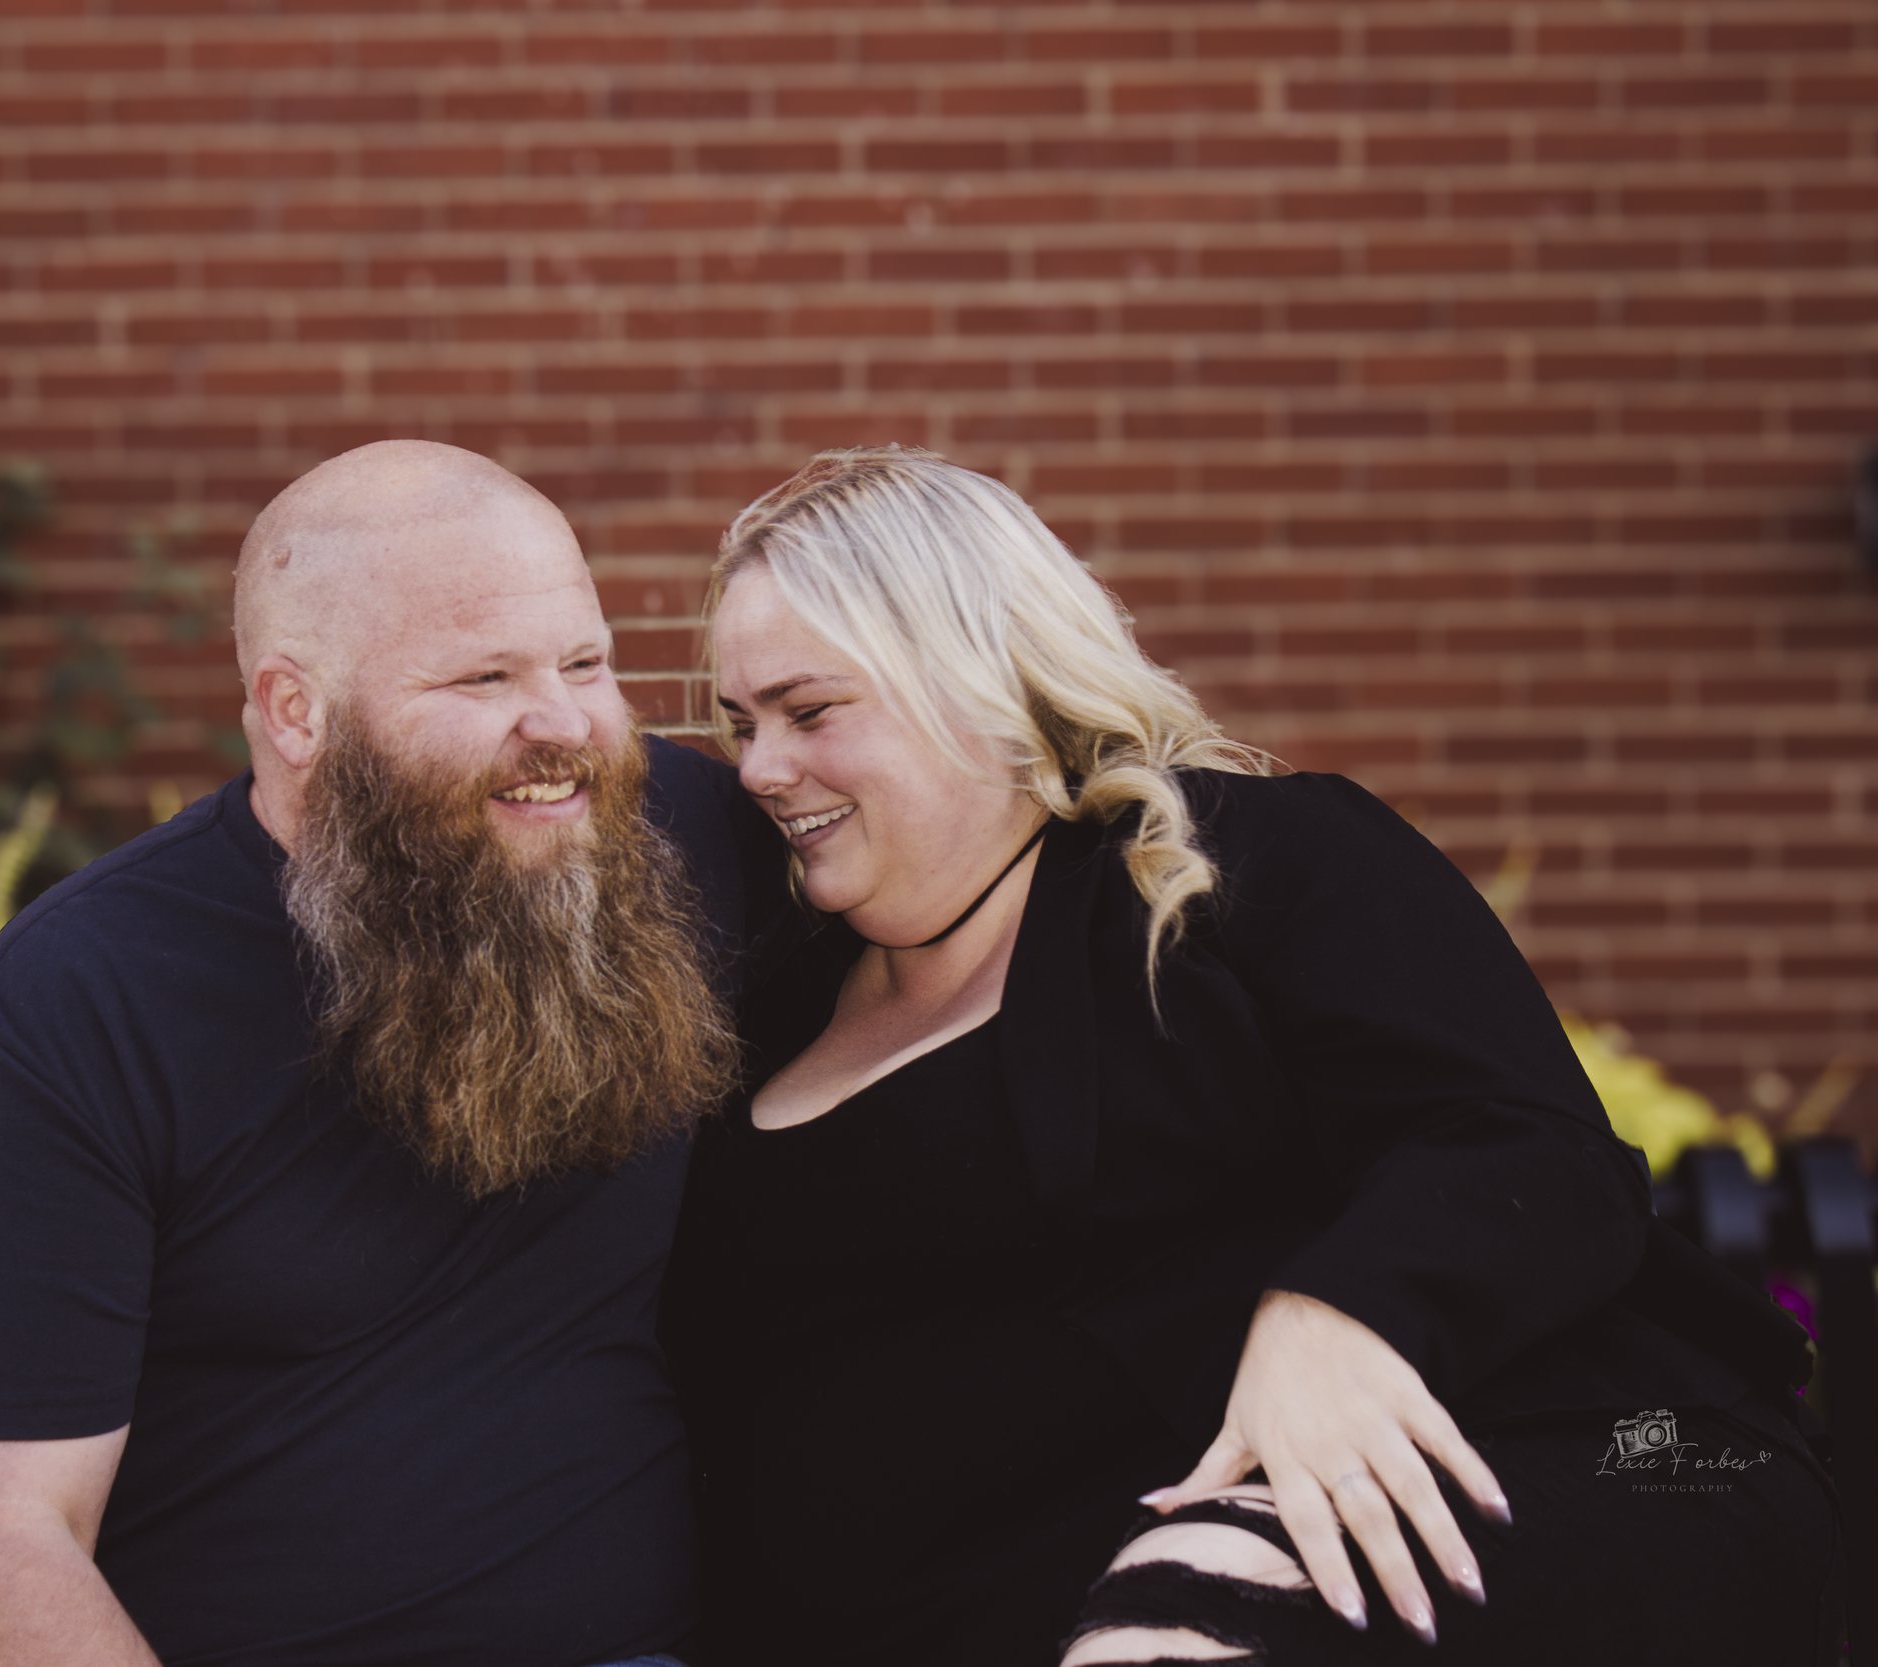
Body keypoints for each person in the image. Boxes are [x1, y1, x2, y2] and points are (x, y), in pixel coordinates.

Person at [660, 447, 1843, 1666]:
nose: (759, 769)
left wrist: (1337, 1311)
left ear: (980, 678)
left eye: (810, 712)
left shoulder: (1241, 869)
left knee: (1199, 1611)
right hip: (984, 1611)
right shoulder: (751, 1011)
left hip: (1521, 1461)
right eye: (740, 725)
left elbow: (1523, 1140)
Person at [0, 440, 795, 1667]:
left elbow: (986, 848)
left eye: (585, 662)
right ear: (295, 708)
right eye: (482, 678)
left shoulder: (665, 842)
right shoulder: (79, 999)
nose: (565, 723)